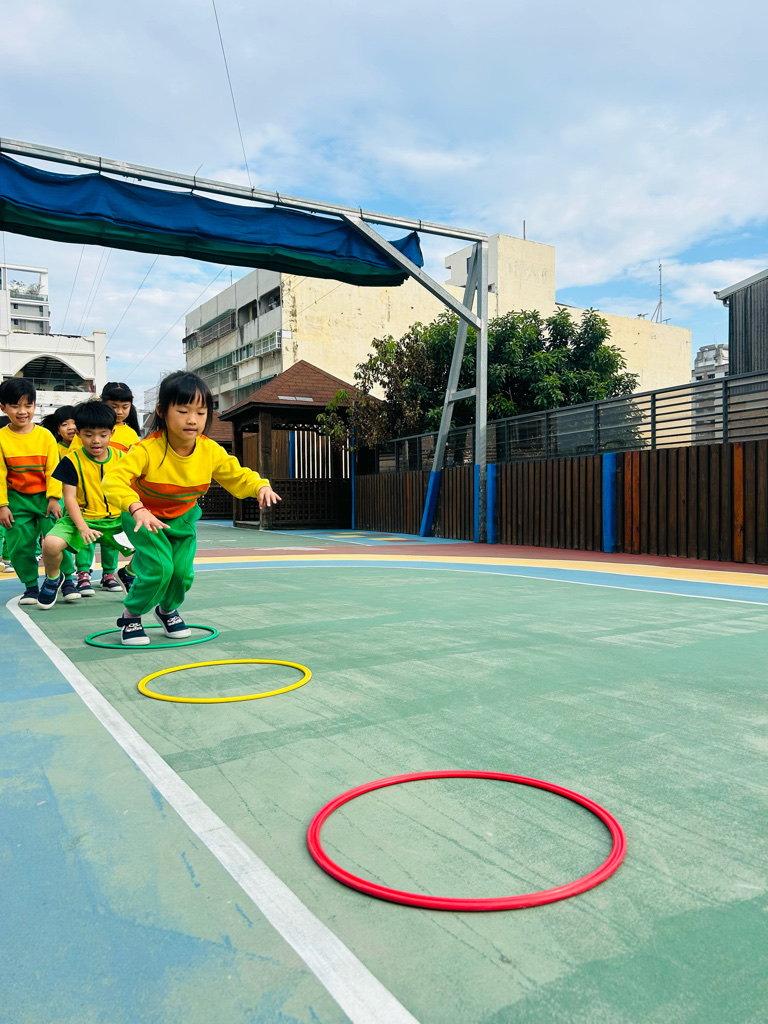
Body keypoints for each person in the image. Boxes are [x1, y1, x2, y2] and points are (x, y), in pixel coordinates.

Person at [102, 370, 281, 645]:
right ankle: (131, 615)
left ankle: (167, 610)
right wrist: (136, 507)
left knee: (183, 572)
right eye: (183, 411)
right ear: (162, 411)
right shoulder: (146, 449)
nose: (192, 420)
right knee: (160, 568)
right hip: (144, 517)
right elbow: (113, 480)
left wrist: (260, 487)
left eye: (201, 412)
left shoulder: (210, 450)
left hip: (182, 518)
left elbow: (237, 475)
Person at [38, 400, 134, 609]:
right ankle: (53, 578)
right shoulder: (71, 461)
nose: (96, 441)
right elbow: (69, 498)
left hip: (116, 520)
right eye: (89, 434)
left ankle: (128, 573)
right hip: (81, 518)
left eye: (103, 434)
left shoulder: (123, 458)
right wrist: (82, 527)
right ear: (79, 434)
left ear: (112, 433)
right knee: (50, 544)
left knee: (155, 541)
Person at [0, 378, 79, 603]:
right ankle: (31, 586)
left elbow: (52, 469)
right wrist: (2, 505)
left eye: (28, 405)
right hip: (16, 500)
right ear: (3, 408)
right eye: (15, 406)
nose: (22, 411)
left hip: (46, 499)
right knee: (19, 544)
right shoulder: (1, 438)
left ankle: (67, 579)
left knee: (57, 538)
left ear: (35, 405)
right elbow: (0, 474)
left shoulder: (45, 436)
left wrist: (54, 498)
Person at [42, 404, 96, 593]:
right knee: (59, 538)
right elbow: (52, 475)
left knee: (86, 533)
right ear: (58, 430)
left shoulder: (88, 447)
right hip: (61, 500)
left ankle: (84, 573)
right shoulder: (55, 448)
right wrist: (54, 499)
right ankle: (65, 577)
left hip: (84, 500)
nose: (71, 427)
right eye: (65, 424)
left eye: (74, 423)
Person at [71, 382, 141, 453]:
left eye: (125, 407)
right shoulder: (88, 426)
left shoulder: (131, 434)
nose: (119, 411)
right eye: (114, 407)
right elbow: (74, 453)